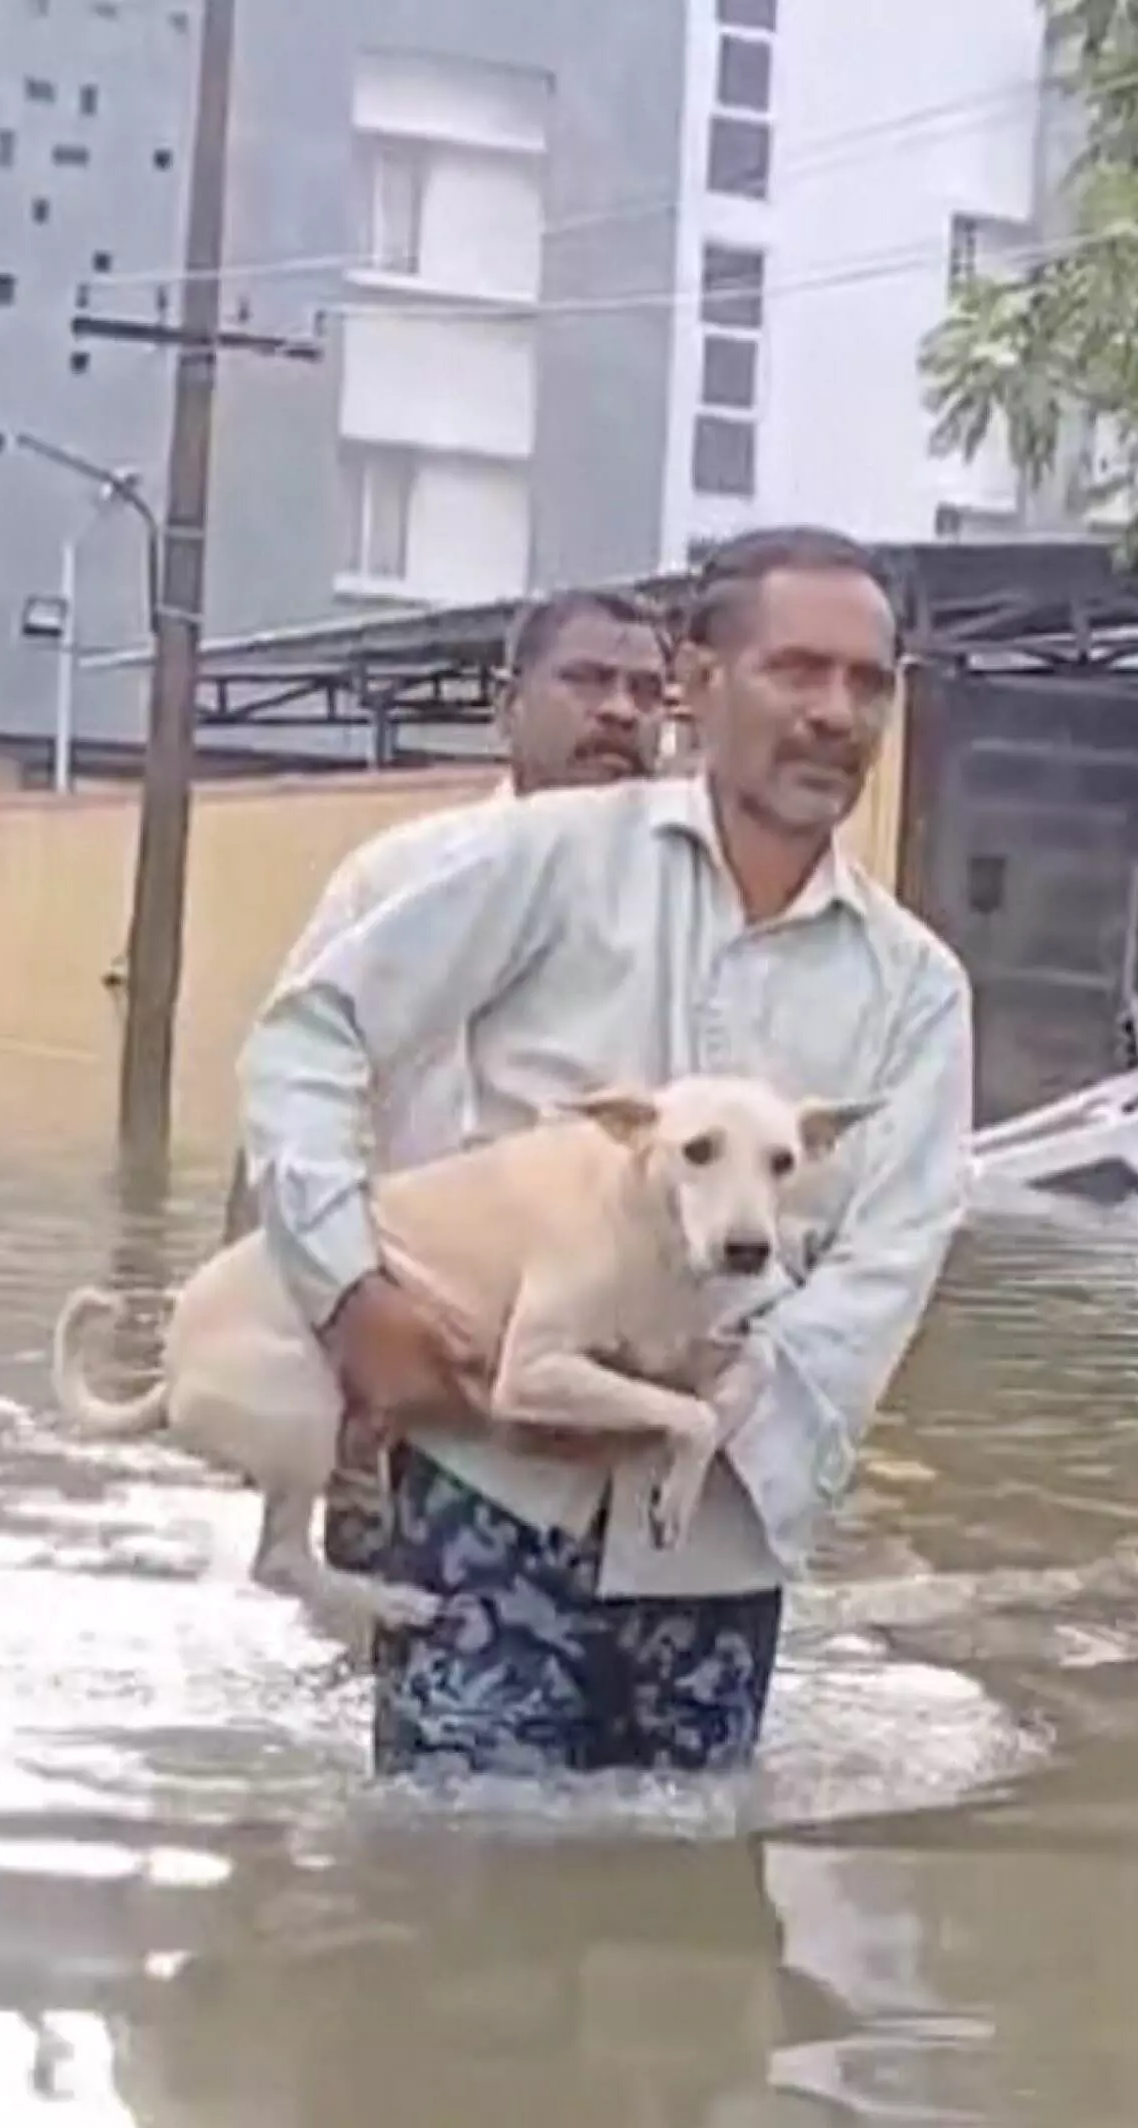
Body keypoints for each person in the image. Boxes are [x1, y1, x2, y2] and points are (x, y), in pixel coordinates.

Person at [238, 526, 974, 1777]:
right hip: (480, 1483)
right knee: (451, 1887)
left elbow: (885, 1266)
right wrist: (348, 1296)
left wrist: (703, 1414)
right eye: (797, 670)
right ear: (700, 679)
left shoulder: (914, 991)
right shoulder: (549, 863)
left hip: (721, 1534)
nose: (835, 713)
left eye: (868, 683)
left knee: (686, 1916)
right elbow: (309, 1036)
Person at [229, 584, 677, 1573]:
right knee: (373, 1635)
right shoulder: (397, 878)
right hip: (389, 1347)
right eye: (587, 680)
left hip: (578, 1387)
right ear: (505, 706)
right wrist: (292, 1314)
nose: (620, 710)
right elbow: (291, 1088)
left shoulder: (678, 922)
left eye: (647, 691)